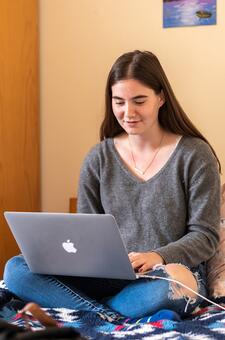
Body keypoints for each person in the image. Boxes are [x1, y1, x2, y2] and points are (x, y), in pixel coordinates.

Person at [4, 50, 221, 321]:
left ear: (161, 98)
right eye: (119, 101)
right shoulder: (98, 158)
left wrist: (157, 255)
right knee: (15, 269)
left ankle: (87, 309)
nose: (127, 112)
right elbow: (85, 234)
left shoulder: (195, 155)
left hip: (166, 275)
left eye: (139, 101)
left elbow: (206, 236)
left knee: (172, 287)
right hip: (105, 275)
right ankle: (108, 314)